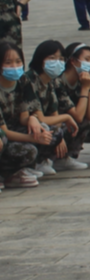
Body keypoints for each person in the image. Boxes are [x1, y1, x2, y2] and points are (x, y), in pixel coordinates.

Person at [0, 40, 52, 186]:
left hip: (14, 129)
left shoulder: (23, 80)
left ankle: (18, 171)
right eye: (8, 63)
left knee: (44, 129)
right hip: (4, 135)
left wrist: (32, 119)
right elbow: (4, 131)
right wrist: (33, 138)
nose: (14, 67)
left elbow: (23, 115)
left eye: (18, 62)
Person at [25, 39, 80, 175]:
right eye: (51, 58)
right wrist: (66, 118)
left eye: (61, 59)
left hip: (42, 123)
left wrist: (59, 134)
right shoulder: (30, 80)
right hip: (28, 124)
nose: (57, 62)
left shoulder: (51, 82)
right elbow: (40, 117)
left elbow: (54, 114)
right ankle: (37, 161)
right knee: (54, 127)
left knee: (63, 127)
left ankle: (56, 158)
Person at [60, 42, 90, 169]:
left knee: (87, 121)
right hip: (55, 123)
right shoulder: (60, 81)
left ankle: (68, 157)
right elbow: (78, 116)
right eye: (86, 60)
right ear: (72, 61)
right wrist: (85, 88)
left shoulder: (82, 81)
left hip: (69, 121)